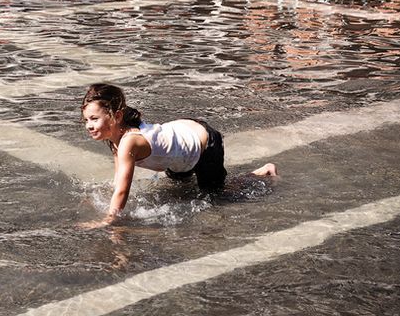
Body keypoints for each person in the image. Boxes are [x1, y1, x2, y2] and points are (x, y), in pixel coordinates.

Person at [79, 84, 277, 229]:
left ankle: (262, 172)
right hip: (179, 148)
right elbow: (118, 181)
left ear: (117, 116)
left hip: (204, 144)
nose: (89, 125)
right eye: (86, 119)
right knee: (182, 190)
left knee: (215, 196)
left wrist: (108, 220)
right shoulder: (115, 139)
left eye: (94, 119)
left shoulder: (128, 142)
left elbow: (122, 192)